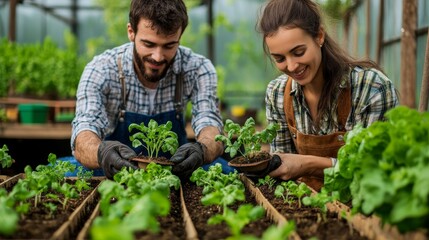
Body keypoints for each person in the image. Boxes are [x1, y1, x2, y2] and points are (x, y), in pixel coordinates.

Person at [69, 0, 233, 179]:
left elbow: (210, 122)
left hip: (177, 170)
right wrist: (102, 153)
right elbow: (83, 132)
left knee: (229, 173)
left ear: (180, 36)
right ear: (131, 32)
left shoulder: (198, 68)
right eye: (149, 44)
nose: (157, 57)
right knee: (61, 171)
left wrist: (203, 150)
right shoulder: (101, 69)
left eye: (169, 46)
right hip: (114, 168)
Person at [255, 0, 399, 191]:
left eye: (299, 52)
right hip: (307, 208)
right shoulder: (277, 93)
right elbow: (284, 170)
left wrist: (308, 164)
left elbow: (377, 171)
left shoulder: (371, 88)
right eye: (280, 59)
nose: (291, 66)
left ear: (319, 36)